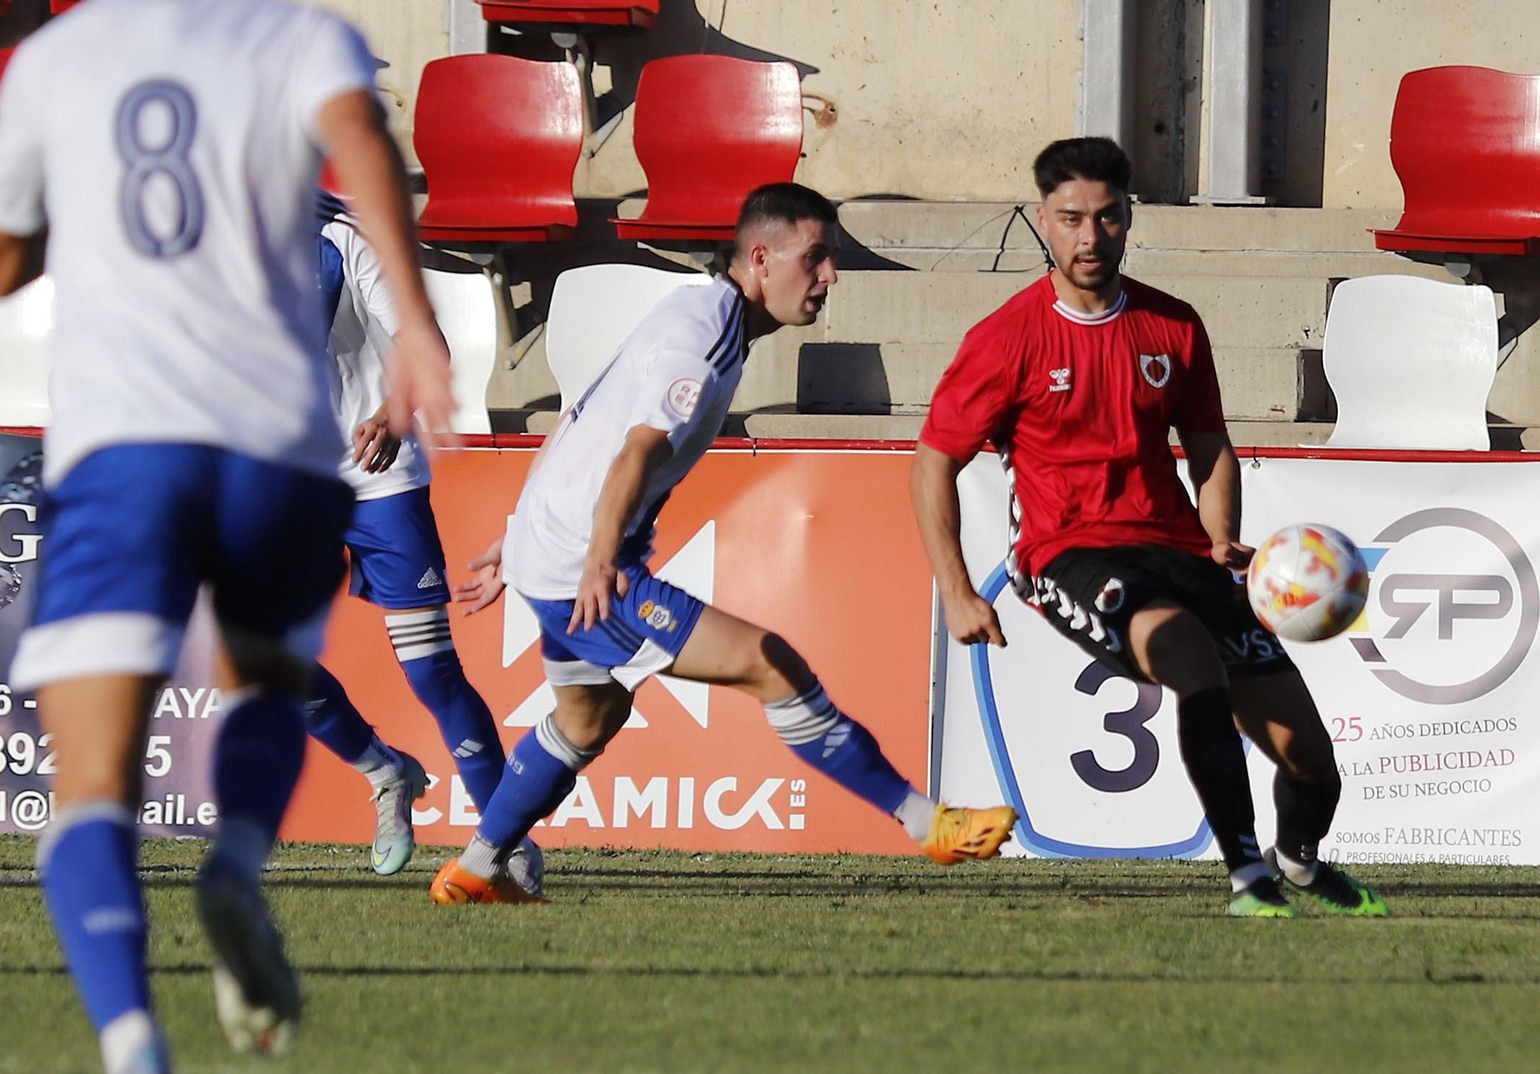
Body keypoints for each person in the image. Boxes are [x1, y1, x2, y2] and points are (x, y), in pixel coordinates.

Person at [0, 1, 453, 1069]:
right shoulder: (295, 34)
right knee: (271, 678)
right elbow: (364, 142)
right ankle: (235, 866)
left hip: (124, 450)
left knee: (91, 787)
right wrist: (416, 327)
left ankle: (134, 1041)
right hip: (277, 446)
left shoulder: (53, 59)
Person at [437, 182, 1018, 905]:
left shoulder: (701, 312)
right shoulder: (705, 334)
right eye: (817, 259)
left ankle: (475, 868)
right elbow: (635, 451)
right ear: (763, 258)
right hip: (585, 559)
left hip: (553, 545)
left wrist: (520, 529)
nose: (830, 277)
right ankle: (926, 822)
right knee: (771, 666)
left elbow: (588, 413)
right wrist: (592, 561)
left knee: (589, 718)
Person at [909, 136, 1387, 918]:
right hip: (1065, 553)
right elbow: (932, 462)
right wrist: (958, 590)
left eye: (1106, 217)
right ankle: (1246, 878)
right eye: (1071, 219)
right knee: (1191, 657)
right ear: (1045, 221)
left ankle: (1295, 863)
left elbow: (1210, 448)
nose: (1089, 237)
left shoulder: (1172, 326)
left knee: (1310, 758)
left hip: (1175, 549)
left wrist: (1221, 532)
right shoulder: (1006, 339)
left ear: (1130, 219)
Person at [306, 194, 540, 890]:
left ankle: (507, 840)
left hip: (375, 474)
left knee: (430, 673)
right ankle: (386, 774)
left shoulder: (345, 234)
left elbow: (422, 340)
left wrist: (391, 411)